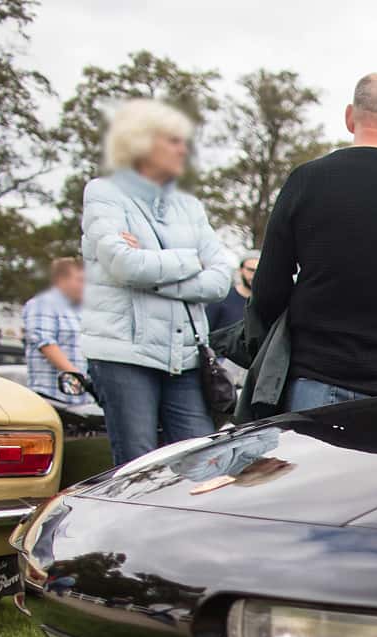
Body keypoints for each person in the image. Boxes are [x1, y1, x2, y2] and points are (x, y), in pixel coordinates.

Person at [250, 73, 377, 410]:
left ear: (350, 117)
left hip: (318, 375)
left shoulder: (307, 181)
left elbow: (268, 285)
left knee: (314, 466)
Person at [81, 99, 235, 465]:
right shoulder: (103, 192)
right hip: (124, 356)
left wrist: (149, 268)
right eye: (173, 140)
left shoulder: (191, 207)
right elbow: (125, 265)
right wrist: (191, 260)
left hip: (185, 358)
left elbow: (219, 281)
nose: (184, 149)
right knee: (137, 470)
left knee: (203, 463)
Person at [20, 257, 90, 405]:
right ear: (61, 279)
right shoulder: (42, 304)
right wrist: (78, 378)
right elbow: (46, 344)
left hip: (80, 398)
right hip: (53, 396)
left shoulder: (78, 310)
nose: (85, 285)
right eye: (80, 280)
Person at [206, 252, 258, 334]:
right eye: (251, 270)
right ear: (240, 270)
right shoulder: (222, 298)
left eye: (259, 271)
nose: (255, 275)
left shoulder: (264, 303)